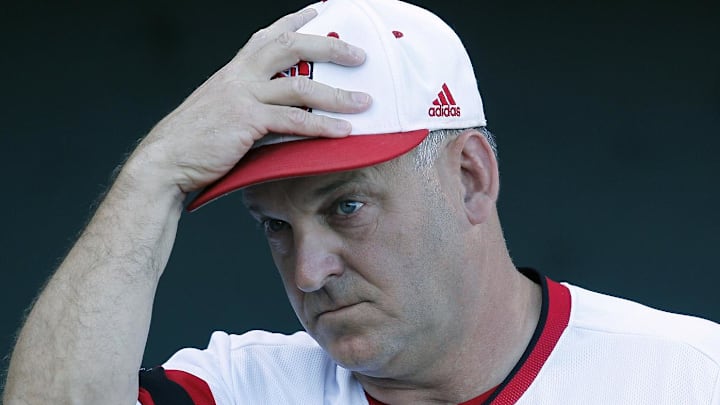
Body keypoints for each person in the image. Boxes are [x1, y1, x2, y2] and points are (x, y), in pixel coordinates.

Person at [4, 0, 720, 403]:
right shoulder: (247, 388)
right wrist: (153, 173)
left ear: (470, 177)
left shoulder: (689, 375)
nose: (308, 271)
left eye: (346, 206)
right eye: (276, 226)